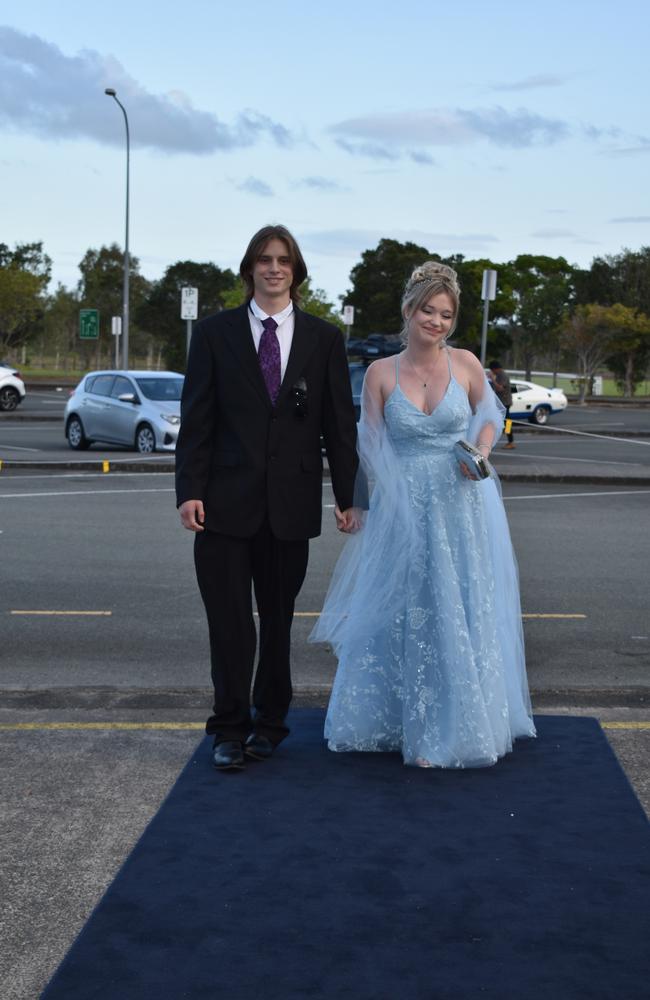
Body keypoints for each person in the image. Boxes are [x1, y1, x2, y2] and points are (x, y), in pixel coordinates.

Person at [311, 261, 535, 768]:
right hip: (402, 505)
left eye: (446, 314)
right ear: (409, 310)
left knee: (455, 603)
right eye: (428, 311)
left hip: (460, 502)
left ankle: (456, 722)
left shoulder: (467, 364)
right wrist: (359, 503)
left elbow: (491, 417)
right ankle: (393, 718)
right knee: (406, 606)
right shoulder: (380, 373)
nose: (436, 321)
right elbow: (367, 445)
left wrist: (481, 450)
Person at [176, 224, 360, 771]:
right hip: (223, 505)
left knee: (277, 621)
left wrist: (348, 495)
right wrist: (189, 491)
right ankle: (228, 728)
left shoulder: (325, 338)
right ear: (250, 268)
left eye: (283, 260)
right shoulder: (214, 334)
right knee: (230, 624)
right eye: (264, 259)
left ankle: (271, 723)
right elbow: (197, 422)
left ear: (296, 271)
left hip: (291, 505)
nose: (274, 268)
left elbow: (338, 424)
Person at [487, 360, 515, 448]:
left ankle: (510, 442)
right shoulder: (500, 375)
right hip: (503, 403)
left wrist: (492, 379)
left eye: (492, 370)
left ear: (495, 369)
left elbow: (500, 389)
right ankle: (508, 440)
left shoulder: (502, 375)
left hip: (505, 403)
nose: (492, 372)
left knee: (507, 422)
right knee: (503, 422)